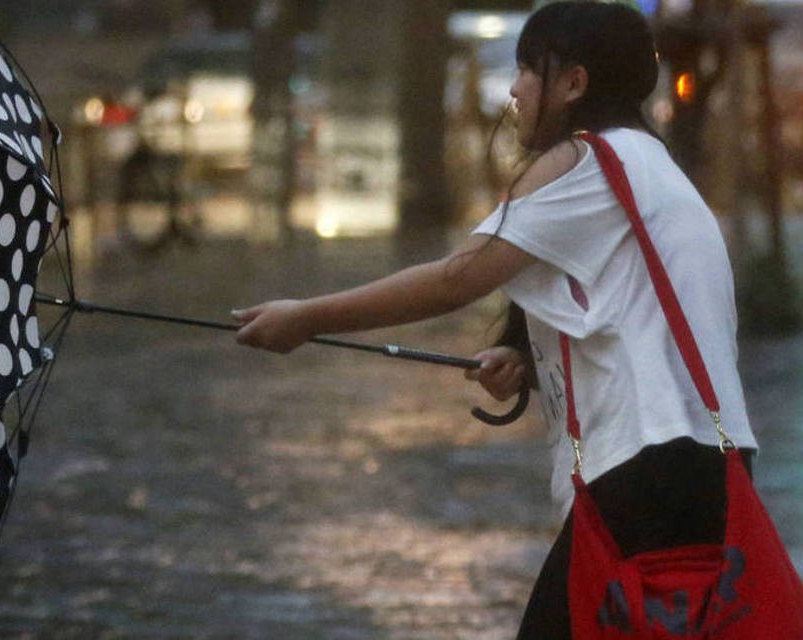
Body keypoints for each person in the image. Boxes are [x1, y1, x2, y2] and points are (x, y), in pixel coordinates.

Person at [233, 2, 759, 637]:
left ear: (573, 83)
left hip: (646, 473)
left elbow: (458, 278)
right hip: (705, 474)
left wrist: (308, 318)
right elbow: (639, 320)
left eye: (526, 69)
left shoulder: (585, 161)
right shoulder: (650, 165)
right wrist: (532, 365)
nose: (514, 89)